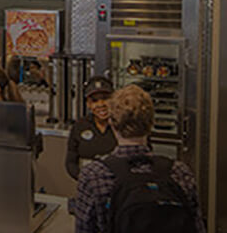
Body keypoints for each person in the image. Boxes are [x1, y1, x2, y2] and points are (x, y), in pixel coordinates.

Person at [69, 85, 204, 233]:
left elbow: (84, 229)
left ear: (112, 124)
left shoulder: (94, 175)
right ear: (151, 124)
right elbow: (197, 227)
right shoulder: (180, 172)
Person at [65, 76, 117, 180]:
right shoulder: (80, 126)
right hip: (89, 186)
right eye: (94, 100)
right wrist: (82, 178)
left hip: (118, 188)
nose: (101, 104)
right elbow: (71, 161)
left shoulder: (123, 124)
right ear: (88, 104)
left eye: (105, 98)